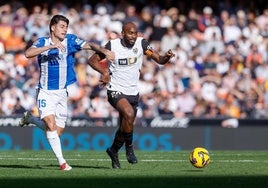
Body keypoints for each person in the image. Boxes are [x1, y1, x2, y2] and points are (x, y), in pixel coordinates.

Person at [19, 14, 114, 171]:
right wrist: (51, 47)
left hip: (62, 93)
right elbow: (28, 53)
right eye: (62, 26)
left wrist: (104, 50)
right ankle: (62, 163)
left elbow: (89, 45)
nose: (65, 30)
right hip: (45, 92)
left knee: (56, 131)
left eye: (66, 27)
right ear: (53, 27)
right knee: (50, 124)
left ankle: (31, 119)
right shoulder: (43, 42)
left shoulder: (70, 40)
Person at [88, 22, 175, 169]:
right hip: (115, 89)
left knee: (125, 126)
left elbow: (159, 60)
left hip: (133, 92)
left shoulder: (141, 44)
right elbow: (92, 60)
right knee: (128, 114)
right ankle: (130, 148)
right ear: (123, 33)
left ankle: (113, 151)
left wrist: (166, 57)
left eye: (135, 33)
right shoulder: (112, 45)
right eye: (130, 33)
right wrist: (105, 73)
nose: (133, 36)